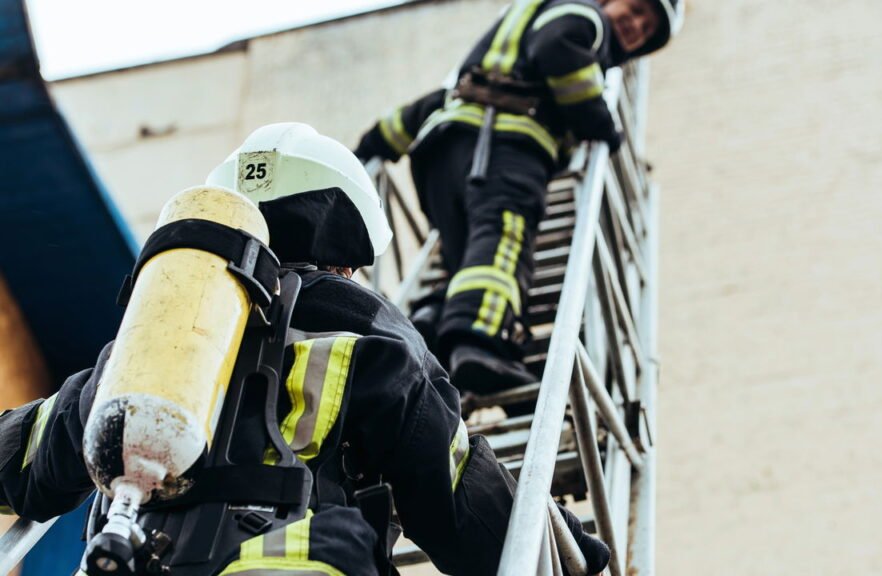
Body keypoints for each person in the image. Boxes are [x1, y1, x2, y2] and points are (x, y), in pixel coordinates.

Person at [0, 123, 609, 575]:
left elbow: (26, 455)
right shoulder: (359, 320)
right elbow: (452, 492)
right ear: (343, 246)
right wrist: (569, 548)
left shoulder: (145, 348)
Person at [354, 0, 682, 397]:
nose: (635, 26)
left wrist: (373, 145)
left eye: (646, 30)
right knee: (503, 240)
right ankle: (481, 342)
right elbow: (557, 48)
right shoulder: (584, 17)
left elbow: (438, 100)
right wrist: (602, 125)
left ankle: (430, 324)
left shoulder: (504, 42)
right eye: (633, 10)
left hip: (443, 154)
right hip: (507, 147)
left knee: (467, 262)